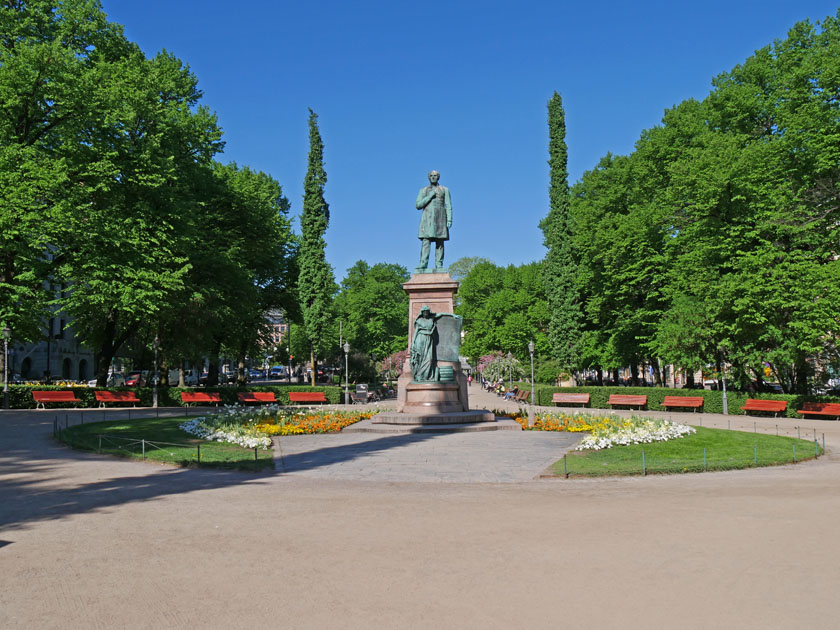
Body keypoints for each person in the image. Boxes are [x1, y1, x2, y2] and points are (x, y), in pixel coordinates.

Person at [415, 170, 452, 272]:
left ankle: (439, 264)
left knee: (440, 242)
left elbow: (448, 205)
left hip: (440, 218)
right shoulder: (423, 190)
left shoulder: (445, 189)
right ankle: (423, 263)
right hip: (427, 219)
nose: (433, 177)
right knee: (426, 242)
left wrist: (449, 219)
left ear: (438, 177)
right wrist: (430, 196)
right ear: (428, 177)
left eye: (435, 176)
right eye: (431, 176)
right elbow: (418, 205)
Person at [410, 306, 444, 381]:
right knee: (420, 358)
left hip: (429, 339)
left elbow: (441, 314)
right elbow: (416, 332)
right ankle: (419, 376)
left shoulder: (431, 319)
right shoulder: (419, 320)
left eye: (427, 312)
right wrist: (413, 343)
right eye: (424, 312)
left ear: (429, 312)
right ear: (422, 313)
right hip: (420, 338)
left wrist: (453, 315)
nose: (425, 313)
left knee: (429, 358)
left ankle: (424, 375)